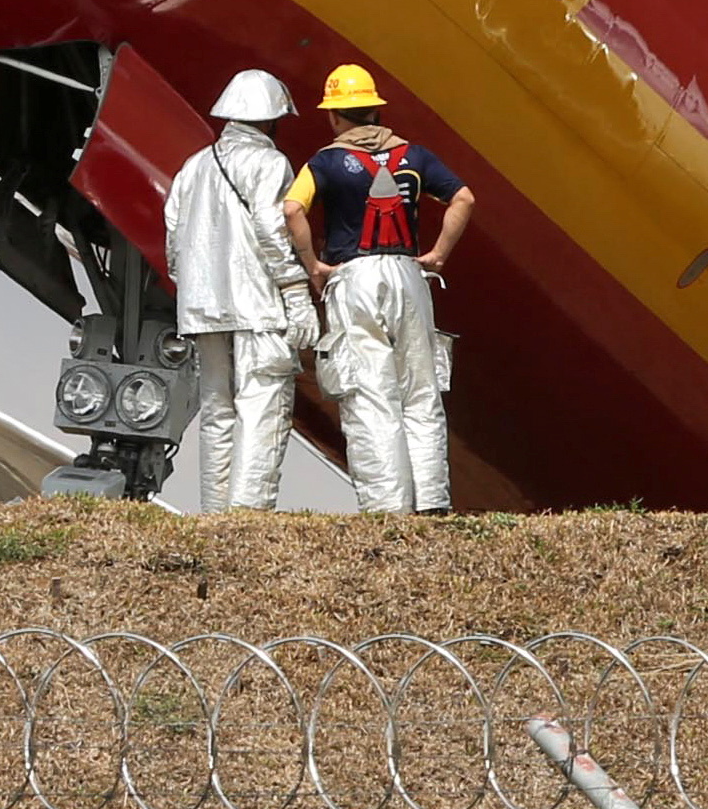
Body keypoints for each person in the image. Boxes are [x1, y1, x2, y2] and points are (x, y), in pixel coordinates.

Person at [283, 62, 476, 514]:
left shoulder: (325, 162)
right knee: (421, 390)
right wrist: (439, 254)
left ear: (334, 116)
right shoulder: (415, 155)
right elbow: (463, 197)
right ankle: (431, 501)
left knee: (371, 392)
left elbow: (293, 209)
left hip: (355, 279)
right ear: (375, 109)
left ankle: (387, 507)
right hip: (410, 277)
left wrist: (313, 265)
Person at [158, 68, 320, 509]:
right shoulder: (270, 164)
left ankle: (214, 515)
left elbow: (173, 236)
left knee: (217, 411)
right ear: (270, 119)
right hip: (258, 308)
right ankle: (246, 517)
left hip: (203, 309)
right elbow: (272, 230)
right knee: (261, 406)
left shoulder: (194, 166)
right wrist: (296, 293)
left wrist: (193, 287)